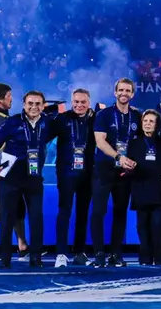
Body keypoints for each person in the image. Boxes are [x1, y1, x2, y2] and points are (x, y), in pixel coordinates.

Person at [0, 90, 52, 268]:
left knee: (36, 217)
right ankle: (6, 259)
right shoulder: (12, 122)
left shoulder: (47, 122)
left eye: (38, 104)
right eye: (30, 103)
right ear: (24, 104)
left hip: (34, 176)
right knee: (7, 217)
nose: (33, 107)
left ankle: (36, 258)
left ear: (43, 106)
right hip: (12, 175)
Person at [91, 78, 141, 268]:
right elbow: (100, 141)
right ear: (115, 92)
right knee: (98, 212)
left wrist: (132, 161)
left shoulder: (136, 116)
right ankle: (98, 253)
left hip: (125, 173)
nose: (124, 93)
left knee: (120, 213)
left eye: (128, 90)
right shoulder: (104, 115)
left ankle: (116, 254)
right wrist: (118, 157)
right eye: (121, 90)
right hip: (104, 170)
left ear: (132, 94)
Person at [51, 88, 96, 267]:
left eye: (83, 102)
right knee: (64, 212)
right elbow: (44, 137)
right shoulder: (62, 120)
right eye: (76, 102)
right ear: (71, 102)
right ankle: (61, 253)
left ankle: (80, 252)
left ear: (89, 103)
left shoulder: (95, 119)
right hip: (66, 172)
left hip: (88, 173)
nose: (79, 105)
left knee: (83, 213)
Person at [127, 110, 161, 267]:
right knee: (142, 228)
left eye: (151, 121)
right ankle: (145, 259)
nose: (147, 123)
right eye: (145, 120)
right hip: (141, 190)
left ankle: (160, 259)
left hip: (160, 192)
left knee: (159, 228)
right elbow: (128, 165)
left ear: (157, 124)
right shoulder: (134, 143)